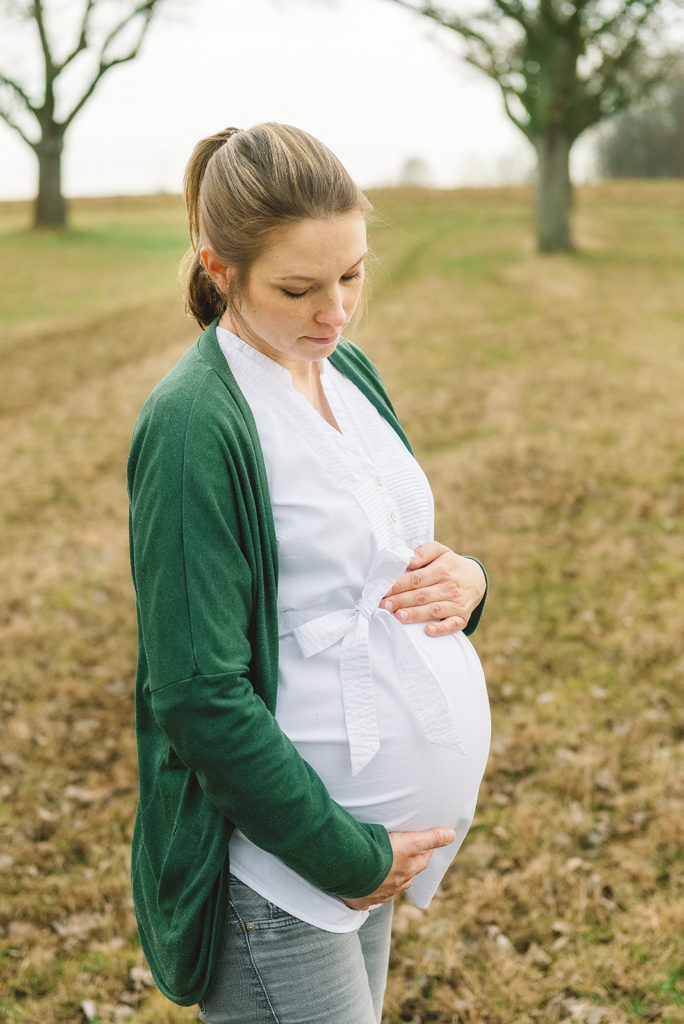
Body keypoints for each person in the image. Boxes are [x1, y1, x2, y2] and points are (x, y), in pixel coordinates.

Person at [127, 123, 490, 1024]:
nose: (338, 311)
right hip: (281, 876)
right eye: (300, 288)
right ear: (220, 268)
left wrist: (466, 583)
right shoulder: (193, 426)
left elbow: (381, 555)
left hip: (363, 849)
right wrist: (344, 854)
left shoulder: (343, 368)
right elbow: (196, 692)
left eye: (353, 274)